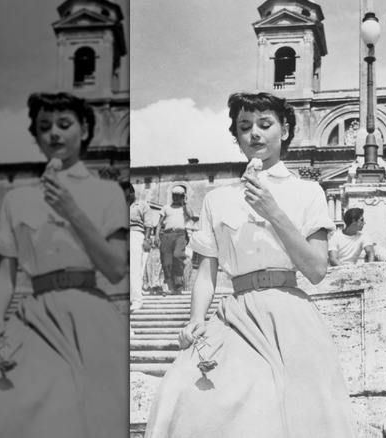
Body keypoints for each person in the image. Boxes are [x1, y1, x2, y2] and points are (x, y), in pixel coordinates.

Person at [144, 92, 357, 437]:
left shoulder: (308, 192)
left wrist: (273, 211)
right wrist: (196, 318)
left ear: (285, 130)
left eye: (265, 124)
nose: (255, 133)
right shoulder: (219, 198)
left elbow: (316, 270)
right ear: (237, 137)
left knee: (296, 413)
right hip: (235, 316)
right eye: (245, 127)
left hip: (288, 315)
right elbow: (207, 268)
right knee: (179, 392)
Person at [0, 92, 129, 438]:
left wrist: (72, 210)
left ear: (84, 130)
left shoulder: (107, 194)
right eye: (44, 127)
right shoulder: (17, 198)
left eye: (64, 124)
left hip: (88, 314)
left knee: (87, 412)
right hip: (33, 316)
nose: (54, 133)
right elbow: (6, 269)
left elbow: (115, 268)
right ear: (36, 136)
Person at [155, 185, 194, 294]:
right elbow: (159, 223)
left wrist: (185, 202)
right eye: (174, 196)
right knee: (166, 261)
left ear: (182, 197)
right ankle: (169, 285)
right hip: (167, 235)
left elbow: (191, 215)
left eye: (179, 196)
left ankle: (178, 284)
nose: (176, 198)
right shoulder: (166, 207)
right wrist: (157, 236)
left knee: (178, 256)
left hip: (180, 235)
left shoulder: (184, 208)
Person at [127, 184, 154, 311]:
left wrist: (147, 239)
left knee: (134, 268)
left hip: (136, 235)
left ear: (132, 193)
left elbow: (148, 224)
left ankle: (137, 299)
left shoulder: (142, 205)